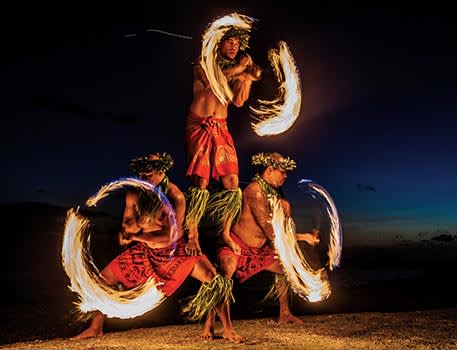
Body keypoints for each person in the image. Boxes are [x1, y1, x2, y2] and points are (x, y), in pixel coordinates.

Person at [71, 152, 244, 343]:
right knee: (103, 278)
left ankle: (227, 328)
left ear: (161, 172)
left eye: (148, 175)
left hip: (175, 252)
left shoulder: (175, 196)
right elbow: (126, 225)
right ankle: (95, 327)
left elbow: (168, 237)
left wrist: (136, 234)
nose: (143, 180)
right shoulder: (134, 193)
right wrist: (131, 230)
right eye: (141, 176)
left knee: (214, 279)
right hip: (146, 251)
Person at [204, 152, 319, 329]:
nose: (286, 175)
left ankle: (285, 313)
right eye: (282, 171)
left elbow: (284, 230)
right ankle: (209, 322)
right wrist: (303, 237)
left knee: (283, 269)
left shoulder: (278, 199)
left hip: (258, 251)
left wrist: (291, 226)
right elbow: (271, 232)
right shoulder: (255, 192)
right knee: (225, 273)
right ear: (270, 170)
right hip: (237, 246)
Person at [184, 25, 262, 258]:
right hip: (200, 126)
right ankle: (193, 234)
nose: (234, 46)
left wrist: (248, 79)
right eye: (230, 42)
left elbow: (238, 101)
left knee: (232, 182)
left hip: (222, 129)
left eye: (237, 44)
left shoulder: (234, 71)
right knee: (201, 182)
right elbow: (213, 82)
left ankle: (225, 233)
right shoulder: (204, 64)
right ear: (218, 44)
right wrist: (240, 68)